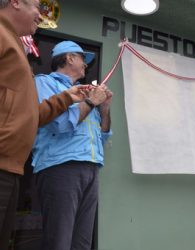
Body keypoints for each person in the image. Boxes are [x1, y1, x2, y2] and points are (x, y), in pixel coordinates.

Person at [0, 1, 90, 248]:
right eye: (38, 6)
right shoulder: (4, 37)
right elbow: (60, 126)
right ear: (15, 2)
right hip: (21, 165)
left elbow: (30, 115)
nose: (41, 15)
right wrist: (90, 103)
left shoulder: (15, 46)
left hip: (13, 167)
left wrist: (69, 98)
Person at [32, 40, 113, 250]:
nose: (86, 65)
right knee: (59, 240)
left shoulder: (86, 94)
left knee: (82, 243)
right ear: (69, 58)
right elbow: (57, 124)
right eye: (82, 59)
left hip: (91, 168)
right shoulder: (44, 82)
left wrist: (103, 108)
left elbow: (103, 137)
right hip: (60, 167)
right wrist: (91, 103)